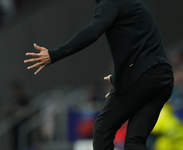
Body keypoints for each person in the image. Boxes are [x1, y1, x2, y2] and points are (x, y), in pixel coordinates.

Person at [24, 0, 174, 149]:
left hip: (141, 75)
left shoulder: (110, 2)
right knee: (135, 140)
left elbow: (92, 31)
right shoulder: (132, 4)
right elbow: (142, 45)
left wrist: (54, 54)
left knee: (103, 130)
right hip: (162, 78)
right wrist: (119, 80)